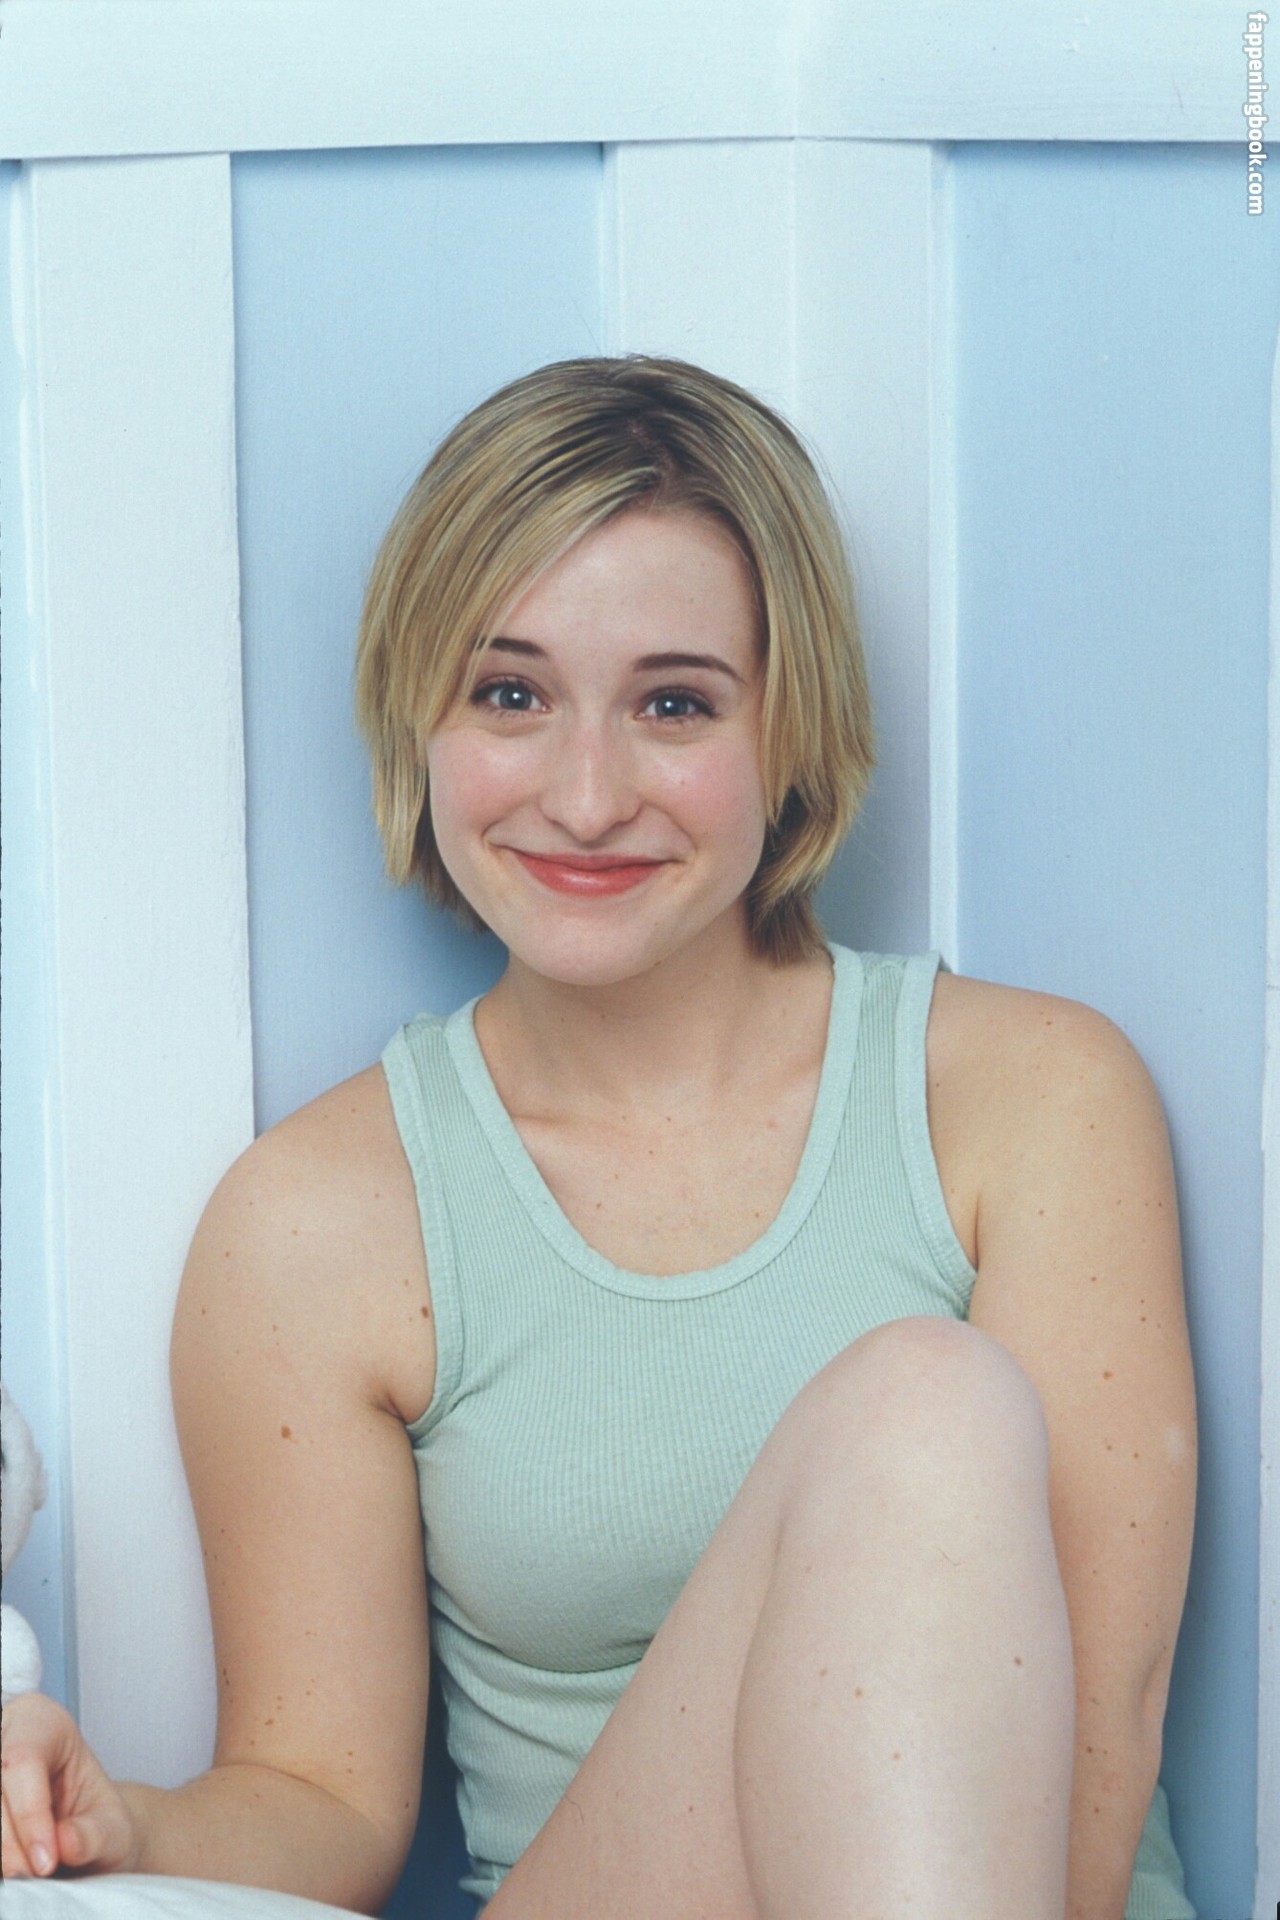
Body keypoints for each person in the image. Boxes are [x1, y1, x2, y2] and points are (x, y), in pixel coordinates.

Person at [1, 356, 1197, 1920]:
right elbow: (319, 1801)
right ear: (420, 720)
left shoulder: (1036, 1097)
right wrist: (122, 1832)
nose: (583, 796)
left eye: (674, 704)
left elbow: (1100, 1745)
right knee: (924, 1396)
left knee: (925, 1407)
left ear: (790, 729)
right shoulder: (316, 1225)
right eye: (510, 694)